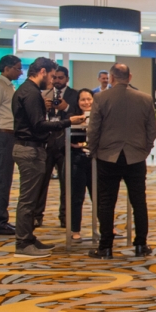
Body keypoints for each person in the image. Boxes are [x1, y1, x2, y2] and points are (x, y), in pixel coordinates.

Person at [11, 57, 86, 256]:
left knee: (31, 198)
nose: (53, 81)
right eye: (52, 76)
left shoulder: (28, 91)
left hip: (30, 148)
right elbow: (39, 125)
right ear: (42, 71)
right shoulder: (31, 93)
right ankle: (23, 243)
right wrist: (68, 121)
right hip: (29, 149)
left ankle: (28, 238)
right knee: (28, 200)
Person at [87, 63, 156, 259]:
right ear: (130, 77)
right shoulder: (145, 98)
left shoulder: (100, 98)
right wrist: (144, 150)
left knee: (106, 202)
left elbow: (93, 129)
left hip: (107, 156)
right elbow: (152, 131)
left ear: (111, 78)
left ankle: (106, 247)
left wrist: (93, 151)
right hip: (136, 157)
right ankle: (141, 245)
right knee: (139, 201)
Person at [36, 65, 78, 228]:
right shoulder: (43, 94)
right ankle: (37, 216)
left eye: (61, 78)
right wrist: (44, 108)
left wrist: (65, 107)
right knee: (41, 182)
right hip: (46, 142)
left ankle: (65, 217)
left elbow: (80, 114)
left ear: (67, 79)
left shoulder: (75, 95)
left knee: (67, 183)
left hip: (65, 143)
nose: (57, 81)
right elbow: (36, 118)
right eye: (54, 77)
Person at [0, 55, 23, 236]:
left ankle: (2, 220)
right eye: (17, 68)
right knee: (1, 180)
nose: (20, 72)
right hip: (1, 137)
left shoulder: (9, 87)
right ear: (6, 68)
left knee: (6, 180)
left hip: (9, 137)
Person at [68, 89, 94, 241]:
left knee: (100, 197)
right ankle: (75, 230)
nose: (86, 102)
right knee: (77, 197)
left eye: (89, 99)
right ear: (77, 102)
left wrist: (84, 144)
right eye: (83, 99)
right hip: (77, 160)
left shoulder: (99, 117)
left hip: (95, 160)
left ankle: (107, 227)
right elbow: (70, 141)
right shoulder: (73, 118)